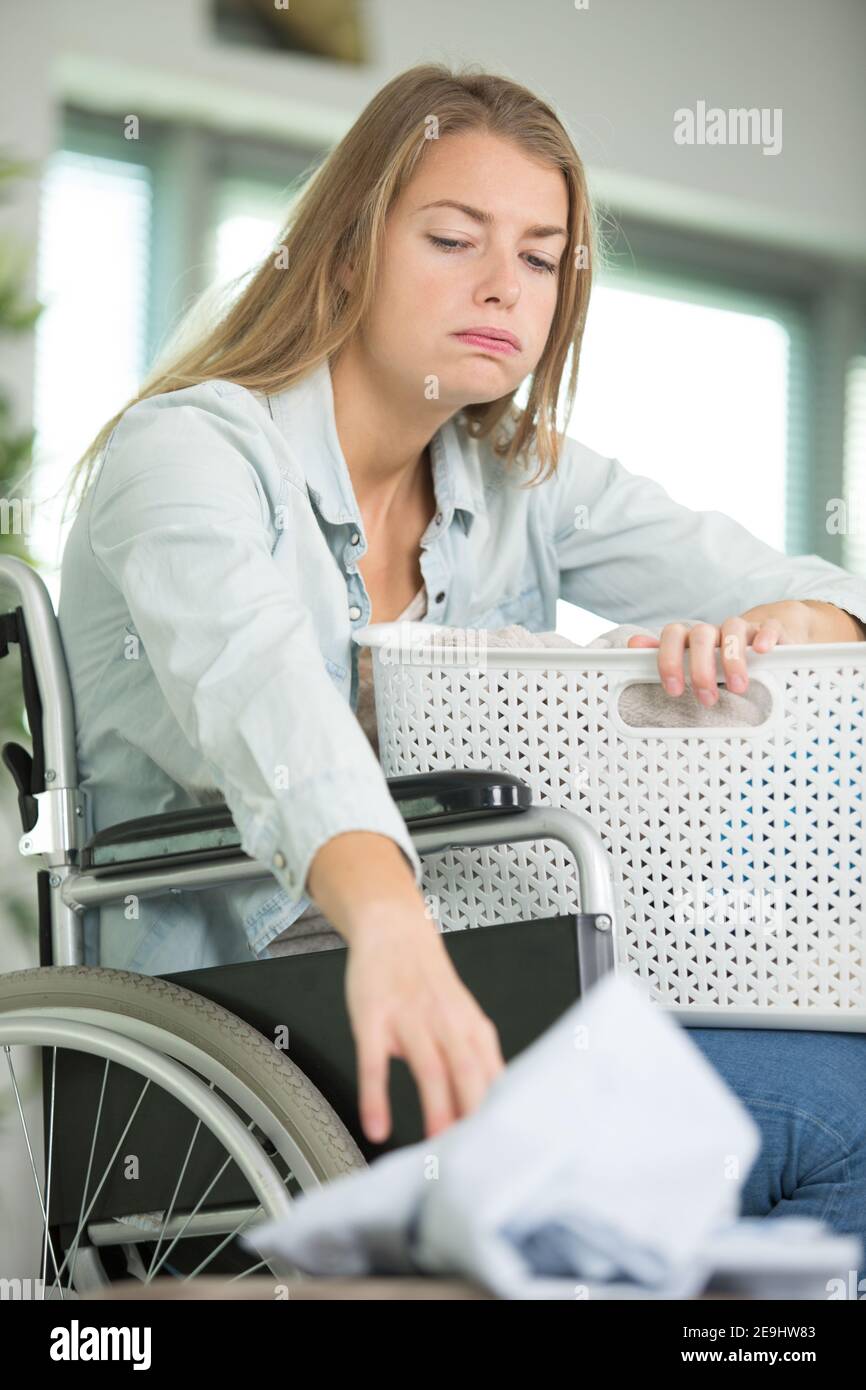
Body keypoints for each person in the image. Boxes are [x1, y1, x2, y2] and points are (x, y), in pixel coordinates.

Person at [58, 64, 866, 1261]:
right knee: (839, 1115)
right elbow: (268, 702)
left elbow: (826, 599)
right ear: (342, 254)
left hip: (480, 982)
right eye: (452, 237)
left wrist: (773, 633)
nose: (504, 286)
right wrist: (389, 923)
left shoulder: (516, 474)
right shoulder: (185, 454)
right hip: (240, 1028)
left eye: (541, 257)